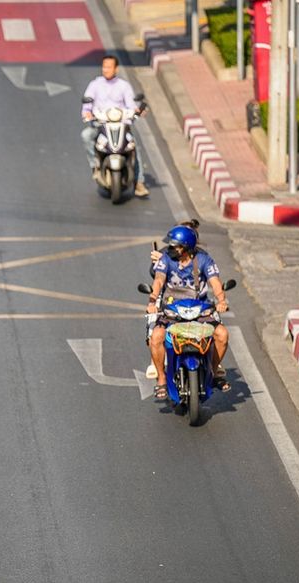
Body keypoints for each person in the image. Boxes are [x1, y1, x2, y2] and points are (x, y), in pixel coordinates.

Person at [145, 224, 231, 399]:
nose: (171, 249)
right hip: (172, 309)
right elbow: (159, 281)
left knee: (222, 334)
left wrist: (222, 301)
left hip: (200, 309)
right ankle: (161, 379)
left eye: (176, 246)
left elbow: (215, 283)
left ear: (186, 247)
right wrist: (152, 300)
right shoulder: (166, 259)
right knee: (156, 336)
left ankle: (213, 371)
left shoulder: (204, 260)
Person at [81, 55, 148, 197]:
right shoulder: (95, 85)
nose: (105, 69)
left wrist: (137, 110)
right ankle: (95, 166)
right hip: (100, 125)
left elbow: (131, 104)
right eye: (104, 66)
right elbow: (88, 102)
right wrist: (87, 112)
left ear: (116, 69)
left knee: (133, 147)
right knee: (86, 136)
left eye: (109, 67)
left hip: (121, 125)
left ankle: (139, 182)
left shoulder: (124, 86)